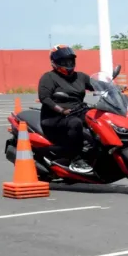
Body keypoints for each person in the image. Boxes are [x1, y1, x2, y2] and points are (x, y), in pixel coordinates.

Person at [37, 45, 94, 174]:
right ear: (55, 62)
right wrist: (61, 110)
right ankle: (76, 158)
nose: (68, 64)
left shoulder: (80, 76)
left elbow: (96, 85)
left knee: (97, 118)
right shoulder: (49, 77)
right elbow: (44, 98)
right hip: (55, 117)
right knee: (75, 123)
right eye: (63, 61)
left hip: (78, 111)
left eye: (70, 61)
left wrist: (112, 87)